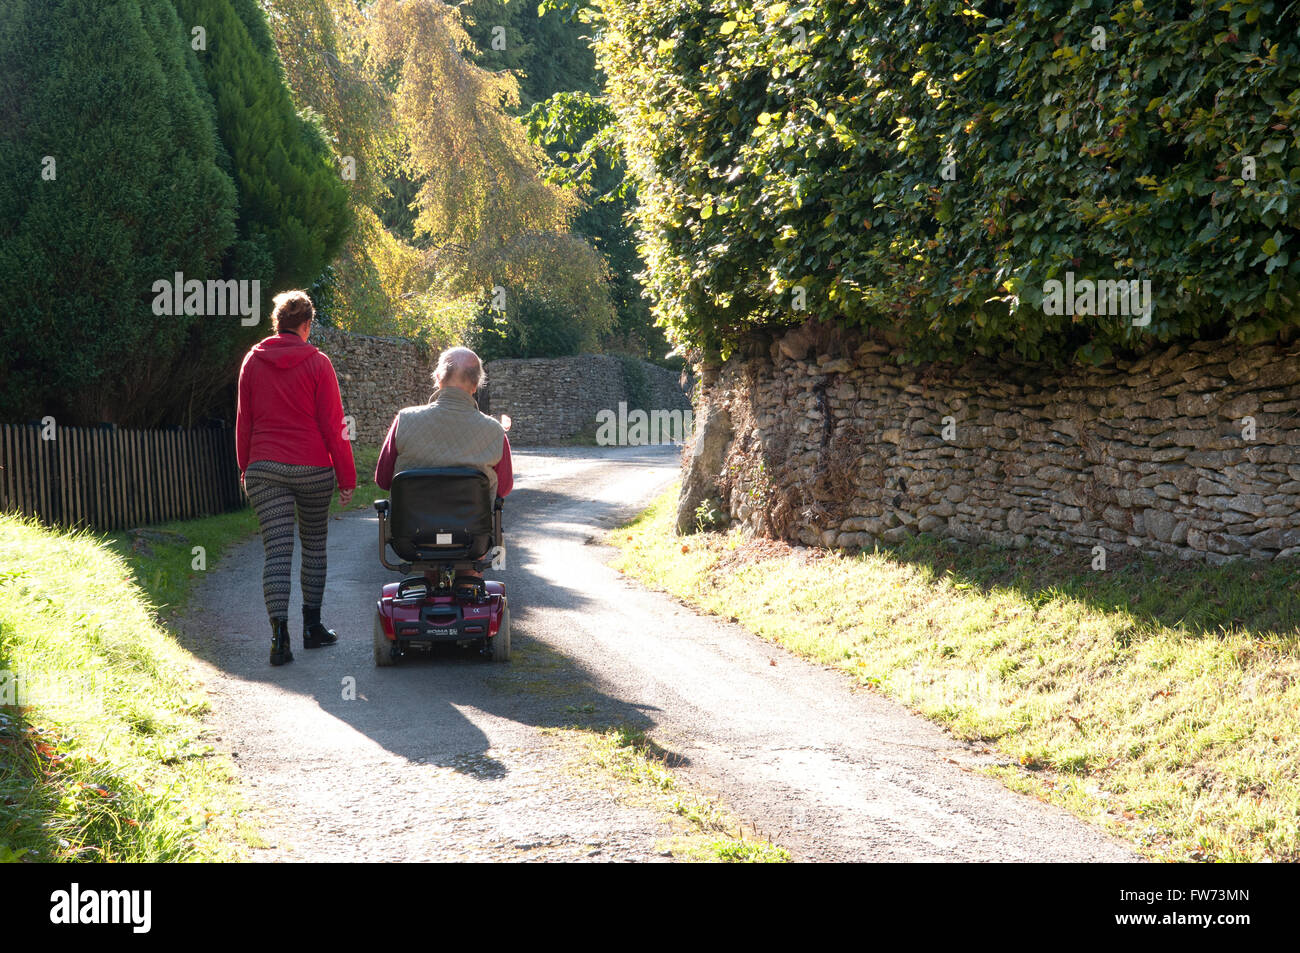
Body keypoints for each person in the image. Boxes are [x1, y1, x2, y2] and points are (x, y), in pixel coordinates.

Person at [236, 290, 356, 666]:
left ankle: (279, 638)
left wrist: (245, 466)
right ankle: (312, 628)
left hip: (265, 468)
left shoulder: (252, 361)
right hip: (313, 470)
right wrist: (347, 477)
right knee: (314, 546)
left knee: (277, 551)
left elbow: (244, 422)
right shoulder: (319, 363)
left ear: (277, 323)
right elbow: (335, 425)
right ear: (306, 325)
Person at [374, 347, 513, 586]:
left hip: (411, 539)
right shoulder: (494, 431)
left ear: (438, 378)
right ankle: (469, 588)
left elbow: (384, 479)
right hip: (472, 541)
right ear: (476, 385)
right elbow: (504, 488)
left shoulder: (405, 420)